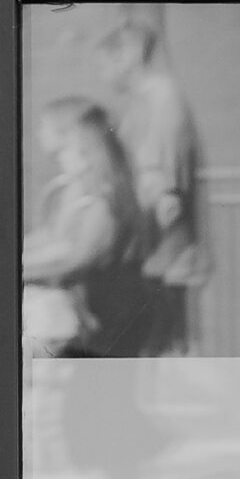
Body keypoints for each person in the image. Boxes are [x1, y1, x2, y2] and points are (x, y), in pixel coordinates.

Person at [95, 6, 211, 355]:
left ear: (129, 55)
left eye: (104, 63)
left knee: (161, 345)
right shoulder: (141, 101)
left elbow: (161, 177)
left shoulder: (162, 97)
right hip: (148, 246)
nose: (102, 75)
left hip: (163, 246)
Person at [22, 98, 152, 357]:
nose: (62, 160)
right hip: (94, 309)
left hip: (107, 315)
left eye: (66, 151)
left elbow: (77, 257)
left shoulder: (104, 198)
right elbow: (59, 239)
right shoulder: (82, 188)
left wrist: (18, 269)